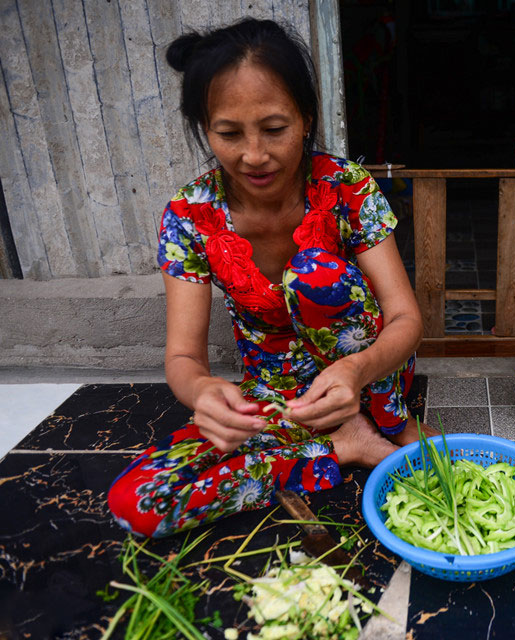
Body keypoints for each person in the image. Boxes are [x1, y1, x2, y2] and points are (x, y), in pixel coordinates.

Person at [108, 18, 430, 538]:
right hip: (280, 394)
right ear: (204, 128)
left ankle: (387, 419)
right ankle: (337, 445)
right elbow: (184, 358)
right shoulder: (189, 216)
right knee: (137, 504)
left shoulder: (346, 188)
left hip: (370, 374)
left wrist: (358, 371)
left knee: (314, 275)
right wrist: (205, 394)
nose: (253, 155)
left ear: (306, 119)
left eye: (274, 129)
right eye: (228, 133)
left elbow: (405, 318)